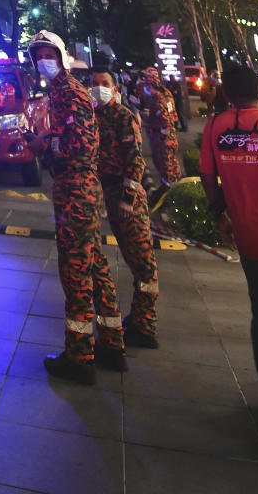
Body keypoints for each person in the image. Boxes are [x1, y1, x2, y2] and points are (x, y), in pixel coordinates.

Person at [27, 30, 125, 384]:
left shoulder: (69, 92)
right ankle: (112, 343)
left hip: (76, 189)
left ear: (61, 55)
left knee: (75, 270)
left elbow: (80, 146)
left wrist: (46, 144)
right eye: (37, 56)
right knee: (96, 265)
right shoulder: (57, 93)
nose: (43, 61)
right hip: (78, 189)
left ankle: (79, 355)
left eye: (47, 54)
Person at [200, 63, 258, 405]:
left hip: (250, 239)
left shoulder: (215, 127)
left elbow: (207, 176)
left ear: (227, 95)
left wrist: (221, 215)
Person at [91, 69, 159, 348]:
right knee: (135, 259)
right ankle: (139, 319)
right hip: (106, 191)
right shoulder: (94, 116)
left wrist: (128, 199)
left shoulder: (123, 116)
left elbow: (135, 161)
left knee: (143, 263)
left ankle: (145, 325)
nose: (99, 88)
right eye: (94, 84)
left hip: (125, 194)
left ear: (116, 89)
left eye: (104, 84)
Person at [139, 66, 182, 198]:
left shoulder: (157, 98)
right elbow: (173, 116)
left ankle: (169, 197)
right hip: (170, 137)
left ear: (149, 83)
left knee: (165, 167)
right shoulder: (167, 93)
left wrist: (146, 119)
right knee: (172, 166)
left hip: (162, 138)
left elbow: (164, 119)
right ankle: (175, 190)